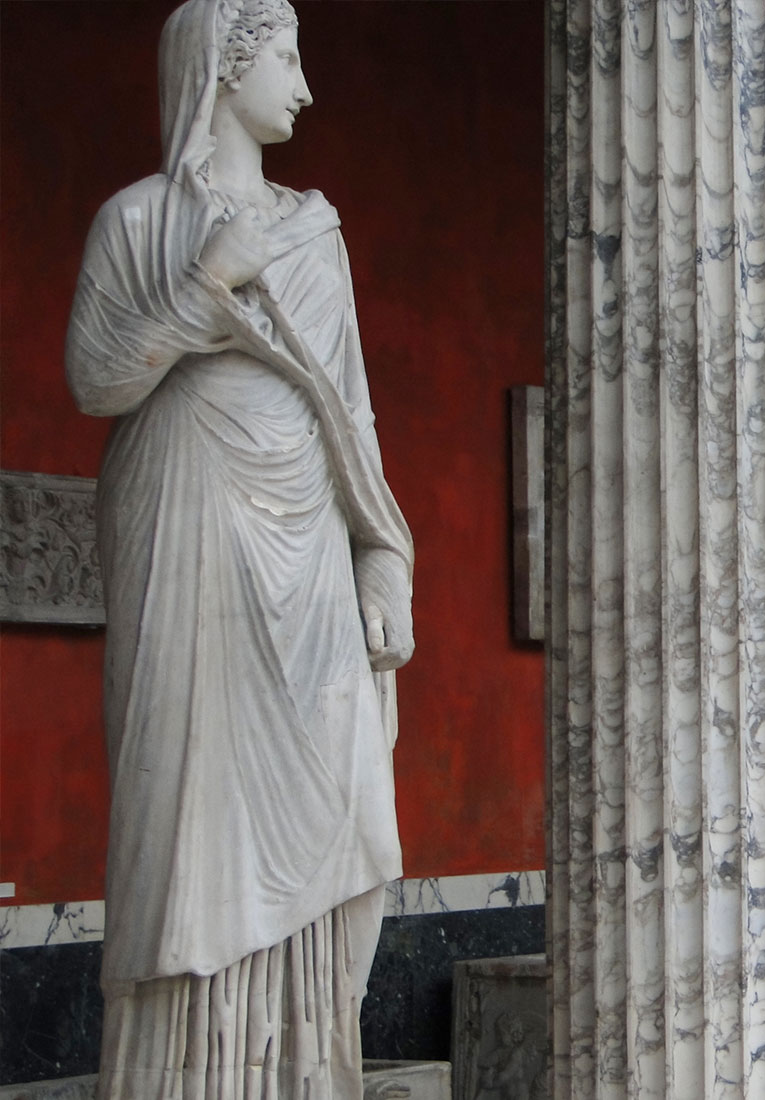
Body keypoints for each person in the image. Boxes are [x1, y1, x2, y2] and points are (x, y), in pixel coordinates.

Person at [65, 1, 413, 1094]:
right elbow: (95, 381)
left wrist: (384, 555)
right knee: (183, 824)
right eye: (285, 57)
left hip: (309, 541)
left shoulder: (317, 232)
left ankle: (304, 1069)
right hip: (185, 525)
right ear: (225, 65)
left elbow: (349, 408)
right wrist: (201, 285)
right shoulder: (135, 222)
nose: (303, 87)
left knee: (344, 794)